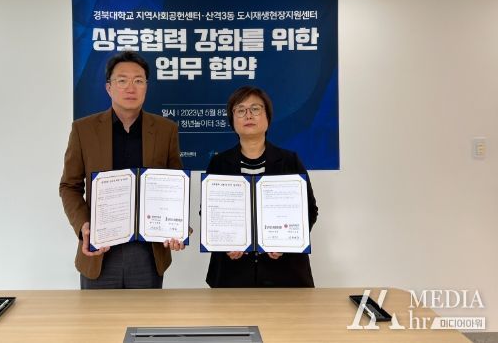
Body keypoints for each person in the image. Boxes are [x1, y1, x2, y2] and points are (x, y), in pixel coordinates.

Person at [59, 51, 185, 289]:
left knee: (146, 314)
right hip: (100, 251)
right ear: (109, 87)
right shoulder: (83, 130)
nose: (131, 88)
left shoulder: (165, 130)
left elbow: (175, 186)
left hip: (148, 254)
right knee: (97, 315)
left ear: (146, 87)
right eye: (122, 80)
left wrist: (177, 226)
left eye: (138, 80)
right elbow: (69, 186)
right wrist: (83, 226)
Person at [205, 86, 318, 288]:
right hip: (232, 274)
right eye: (241, 110)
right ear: (232, 120)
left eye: (255, 109)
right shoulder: (219, 163)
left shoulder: (290, 161)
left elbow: (310, 210)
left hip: (286, 273)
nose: (248, 115)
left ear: (268, 117)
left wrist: (288, 243)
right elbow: (209, 213)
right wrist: (225, 243)